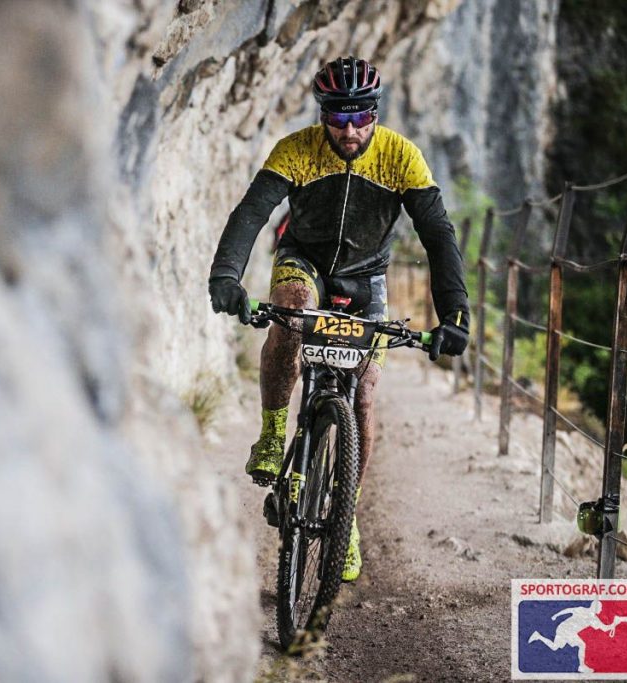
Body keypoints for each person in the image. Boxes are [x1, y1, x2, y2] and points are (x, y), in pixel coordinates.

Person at [207, 56, 470, 582]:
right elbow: (252, 213)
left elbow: (438, 235)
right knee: (291, 310)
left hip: (365, 276)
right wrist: (227, 275)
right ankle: (272, 433)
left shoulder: (401, 157)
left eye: (361, 117)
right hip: (304, 261)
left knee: (365, 392)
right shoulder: (296, 150)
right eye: (338, 118)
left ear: (376, 113)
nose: (350, 131)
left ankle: (344, 514)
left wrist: (454, 313)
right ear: (322, 114)